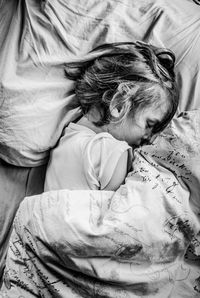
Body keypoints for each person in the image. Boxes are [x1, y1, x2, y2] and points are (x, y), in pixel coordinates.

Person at [44, 41, 179, 192]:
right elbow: (120, 212)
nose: (149, 138)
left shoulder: (66, 139)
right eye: (149, 124)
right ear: (119, 104)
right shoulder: (111, 152)